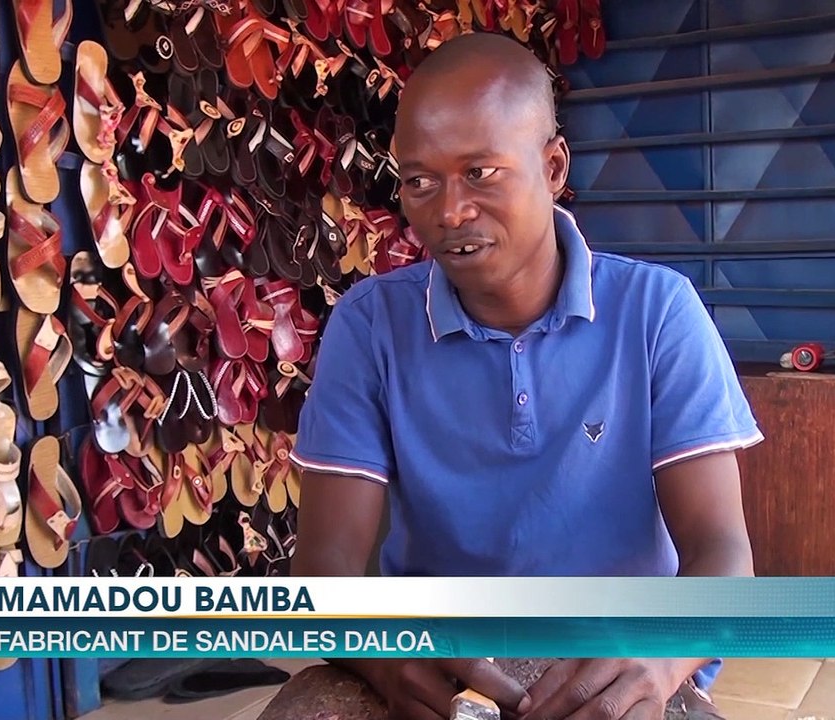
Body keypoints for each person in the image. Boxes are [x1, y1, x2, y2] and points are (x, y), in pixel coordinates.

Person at [287, 30, 763, 720]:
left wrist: (657, 661)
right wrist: (388, 654)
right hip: (438, 664)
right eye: (419, 181)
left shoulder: (656, 312)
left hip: (618, 663)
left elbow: (723, 554)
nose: (449, 211)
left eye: (480, 172)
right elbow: (322, 571)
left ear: (553, 166)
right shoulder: (370, 326)